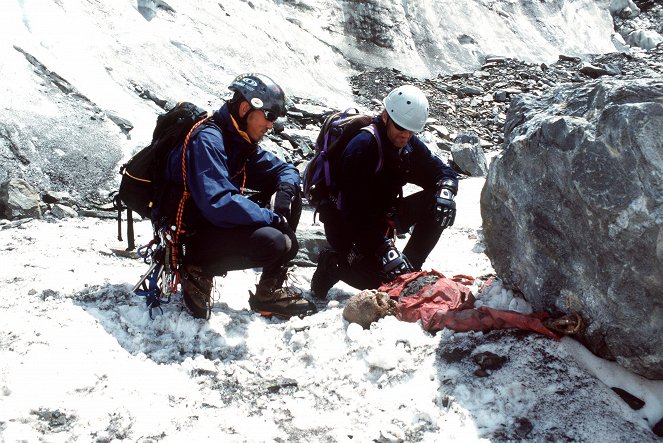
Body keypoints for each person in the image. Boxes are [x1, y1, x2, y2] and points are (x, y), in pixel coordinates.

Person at [161, 73, 316, 320]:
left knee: (289, 196)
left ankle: (269, 291)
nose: (270, 125)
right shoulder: (209, 140)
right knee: (275, 241)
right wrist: (273, 218)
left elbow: (285, 170)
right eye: (269, 116)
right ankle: (197, 268)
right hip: (192, 235)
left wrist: (286, 192)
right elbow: (219, 203)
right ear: (245, 108)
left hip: (211, 224)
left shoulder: (238, 140)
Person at [310, 84, 459, 299]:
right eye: (401, 127)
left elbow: (441, 171)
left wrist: (447, 188)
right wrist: (383, 248)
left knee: (438, 204)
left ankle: (409, 270)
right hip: (346, 223)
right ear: (386, 116)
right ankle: (331, 264)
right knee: (375, 283)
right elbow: (352, 214)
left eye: (411, 131)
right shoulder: (362, 147)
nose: (405, 135)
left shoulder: (406, 143)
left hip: (381, 214)